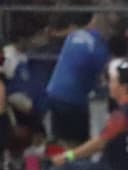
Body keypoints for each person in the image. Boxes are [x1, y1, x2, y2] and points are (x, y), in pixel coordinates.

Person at [44, 12, 111, 148]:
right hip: (73, 99)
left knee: (58, 140)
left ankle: (60, 163)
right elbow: (103, 78)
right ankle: (72, 165)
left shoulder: (74, 35)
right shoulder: (99, 49)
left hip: (54, 93)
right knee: (78, 145)